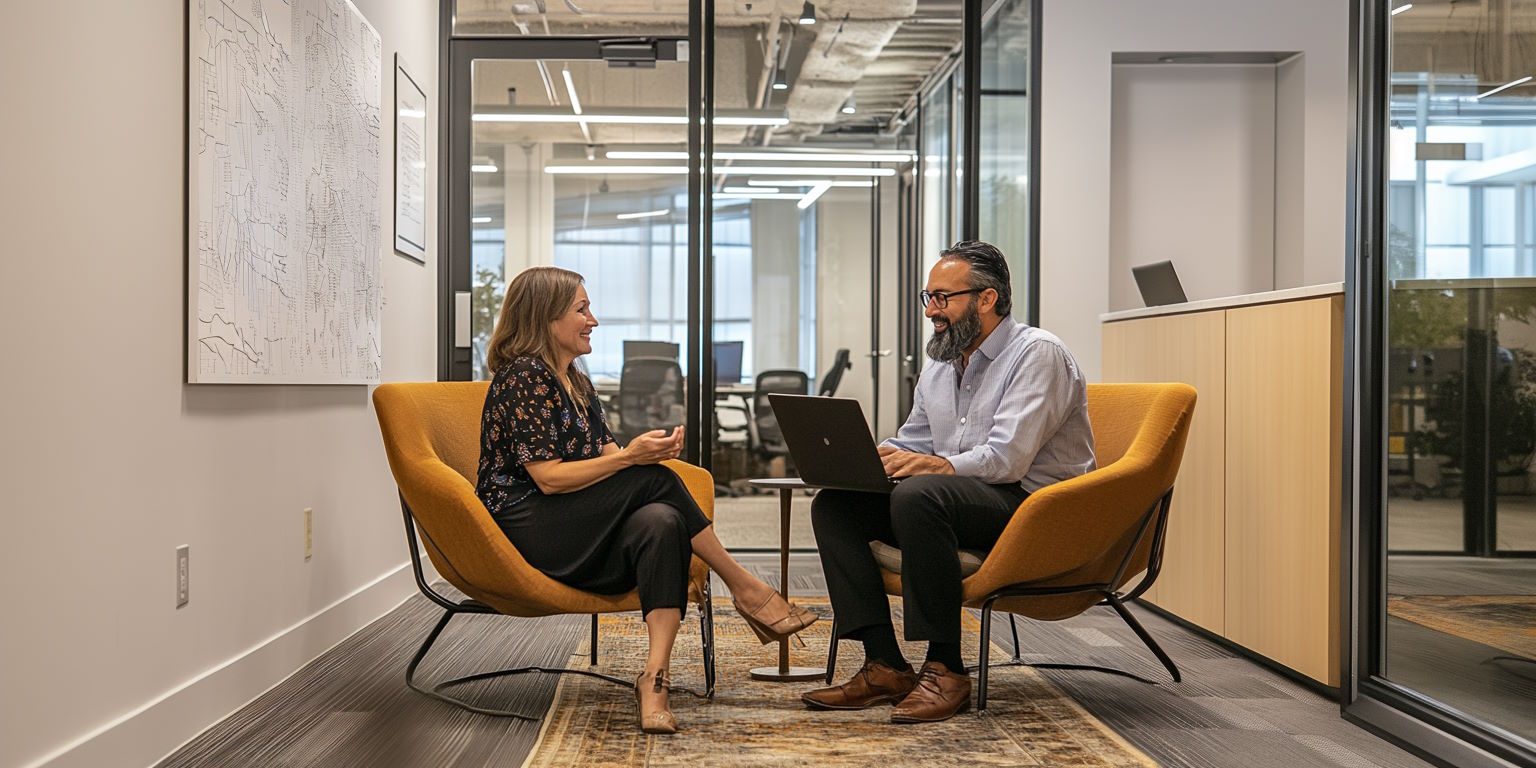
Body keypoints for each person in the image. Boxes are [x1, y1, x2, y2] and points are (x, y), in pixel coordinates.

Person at [476, 266, 817, 735]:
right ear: (545, 318)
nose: (593, 319)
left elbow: (609, 457)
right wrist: (632, 463)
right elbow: (549, 480)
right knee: (652, 483)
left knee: (661, 520)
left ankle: (654, 678)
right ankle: (747, 588)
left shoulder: (575, 379)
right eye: (581, 309)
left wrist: (643, 455)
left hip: (577, 526)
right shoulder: (525, 377)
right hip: (531, 527)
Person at [801, 241, 1096, 724]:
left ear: (986, 299)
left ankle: (946, 669)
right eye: (929, 297)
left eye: (943, 298)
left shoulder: (1038, 354)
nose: (932, 311)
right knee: (836, 505)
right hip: (959, 498)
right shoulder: (942, 361)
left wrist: (934, 468)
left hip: (1033, 509)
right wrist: (873, 460)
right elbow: (915, 440)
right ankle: (884, 665)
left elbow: (1008, 459)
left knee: (921, 495)